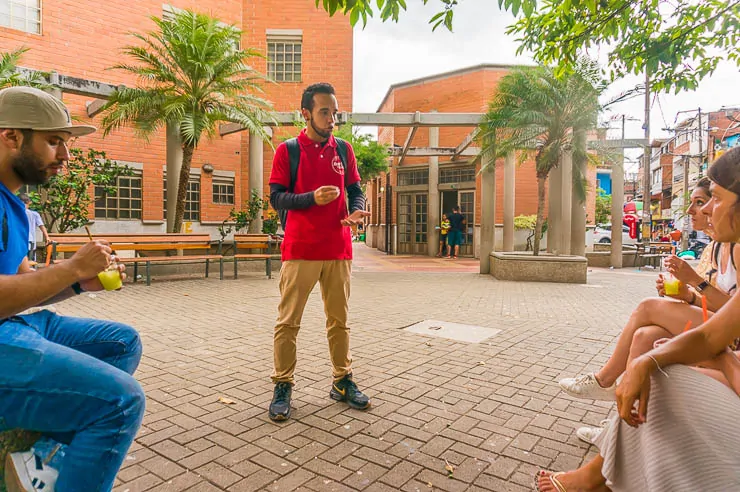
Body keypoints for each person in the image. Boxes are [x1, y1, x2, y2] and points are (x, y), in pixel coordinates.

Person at [535, 147, 740, 492]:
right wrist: (646, 361)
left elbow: (715, 340)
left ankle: (598, 466)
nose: (703, 210)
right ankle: (611, 443)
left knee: (659, 374)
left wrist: (719, 355)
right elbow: (709, 337)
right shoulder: (719, 246)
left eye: (714, 199)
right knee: (647, 346)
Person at [0, 86, 145, 492]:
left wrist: (78, 282)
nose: (64, 156)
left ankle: (38, 462)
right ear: (11, 136)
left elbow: (25, 284)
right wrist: (72, 267)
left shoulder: (14, 203)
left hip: (15, 326)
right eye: (53, 142)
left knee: (121, 342)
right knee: (120, 401)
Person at [559, 178, 736, 404]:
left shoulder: (736, 248)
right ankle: (619, 425)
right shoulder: (714, 247)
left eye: (702, 202)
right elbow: (708, 300)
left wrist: (694, 281)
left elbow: (734, 313)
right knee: (644, 337)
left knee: (648, 306)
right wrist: (687, 294)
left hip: (730, 336)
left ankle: (604, 379)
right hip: (713, 322)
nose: (692, 210)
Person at [268, 83, 371, 422]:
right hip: (300, 249)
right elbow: (277, 198)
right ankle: (283, 385)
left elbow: (355, 190)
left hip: (338, 249)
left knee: (339, 323)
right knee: (288, 323)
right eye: (325, 112)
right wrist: (311, 198)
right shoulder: (288, 150)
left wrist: (356, 210)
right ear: (306, 114)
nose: (332, 118)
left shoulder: (344, 149)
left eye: (334, 112)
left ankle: (342, 381)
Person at [19, 192, 50, 261]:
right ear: (29, 202)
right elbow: (41, 226)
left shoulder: (15, 212)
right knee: (30, 261)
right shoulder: (34, 214)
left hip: (19, 241)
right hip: (31, 241)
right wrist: (47, 237)